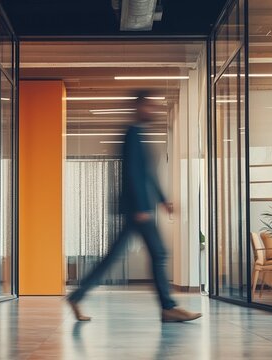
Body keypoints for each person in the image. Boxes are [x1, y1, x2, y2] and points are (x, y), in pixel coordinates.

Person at [66, 90, 201, 323]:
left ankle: (77, 296)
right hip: (137, 210)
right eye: (149, 106)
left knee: (115, 257)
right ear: (139, 107)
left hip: (138, 208)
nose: (153, 110)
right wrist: (141, 207)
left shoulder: (139, 134)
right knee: (157, 252)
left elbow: (148, 173)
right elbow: (131, 174)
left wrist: (161, 200)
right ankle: (168, 308)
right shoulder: (131, 133)